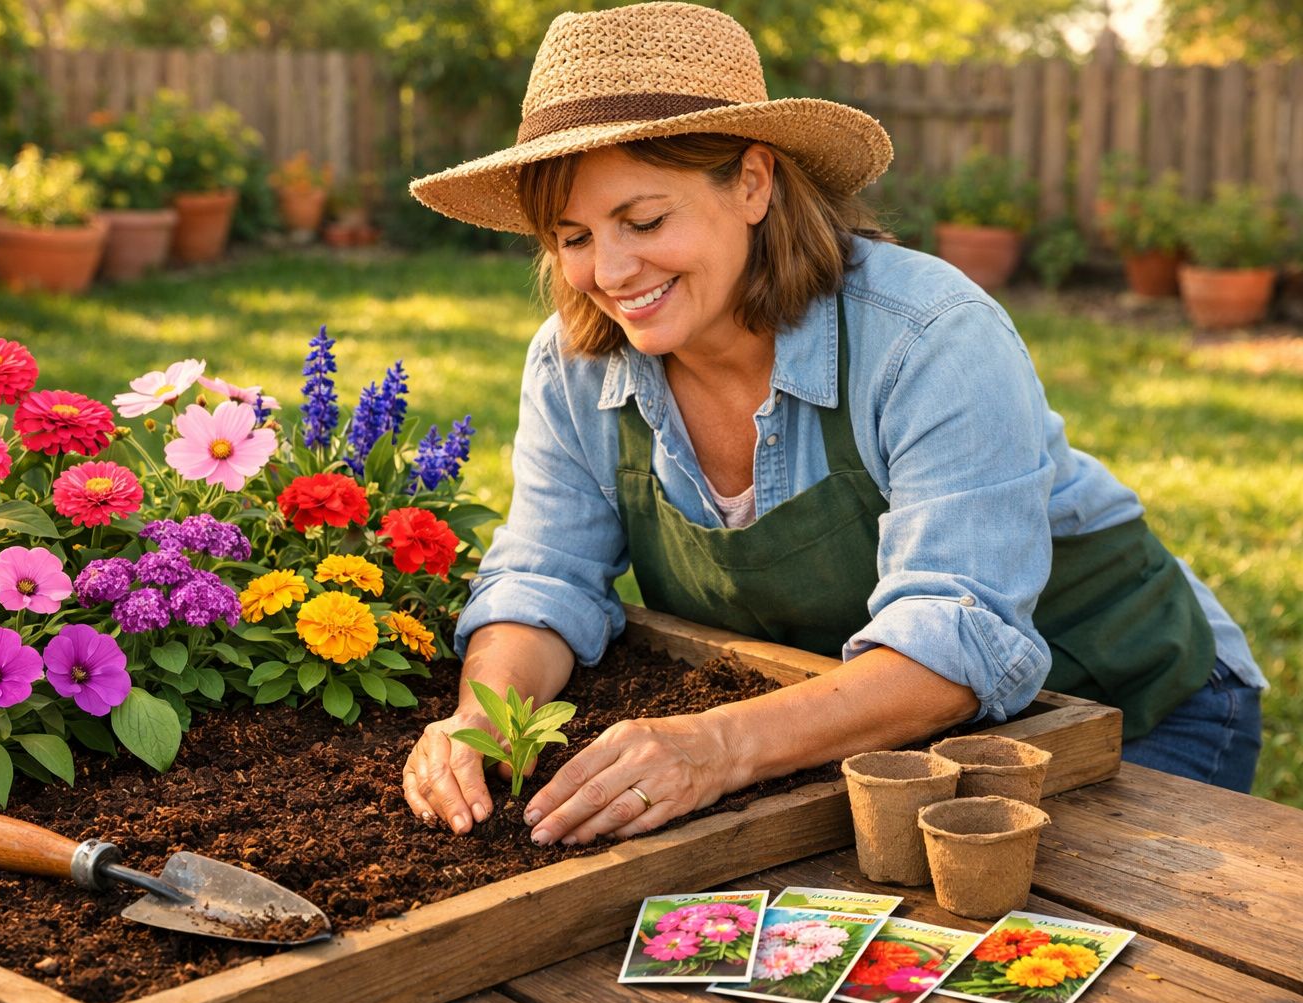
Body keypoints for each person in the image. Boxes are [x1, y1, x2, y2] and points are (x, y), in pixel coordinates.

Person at [400, 1, 1267, 846]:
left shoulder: (927, 335)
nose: (610, 270)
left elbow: (955, 637)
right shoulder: (573, 363)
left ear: (751, 181)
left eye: (644, 220)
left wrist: (713, 748)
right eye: (574, 236)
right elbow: (545, 580)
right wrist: (485, 720)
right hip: (865, 739)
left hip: (1126, 703)